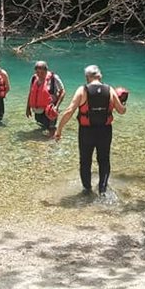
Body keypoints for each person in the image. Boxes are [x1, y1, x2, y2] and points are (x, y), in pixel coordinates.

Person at [55, 65, 126, 195]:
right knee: (104, 160)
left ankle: (87, 190)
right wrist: (124, 103)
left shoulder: (82, 90)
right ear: (100, 75)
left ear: (87, 77)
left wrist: (59, 129)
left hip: (86, 132)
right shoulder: (110, 90)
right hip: (105, 131)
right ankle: (103, 190)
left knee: (85, 161)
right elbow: (121, 111)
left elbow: (70, 110)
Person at [25, 61, 65, 136]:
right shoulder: (34, 78)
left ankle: (52, 144)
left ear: (46, 70)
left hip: (50, 109)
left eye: (42, 73)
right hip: (38, 110)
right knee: (41, 125)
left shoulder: (53, 78)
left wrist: (57, 106)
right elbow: (31, 93)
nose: (39, 75)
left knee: (51, 129)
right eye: (37, 72)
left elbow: (63, 92)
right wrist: (28, 108)